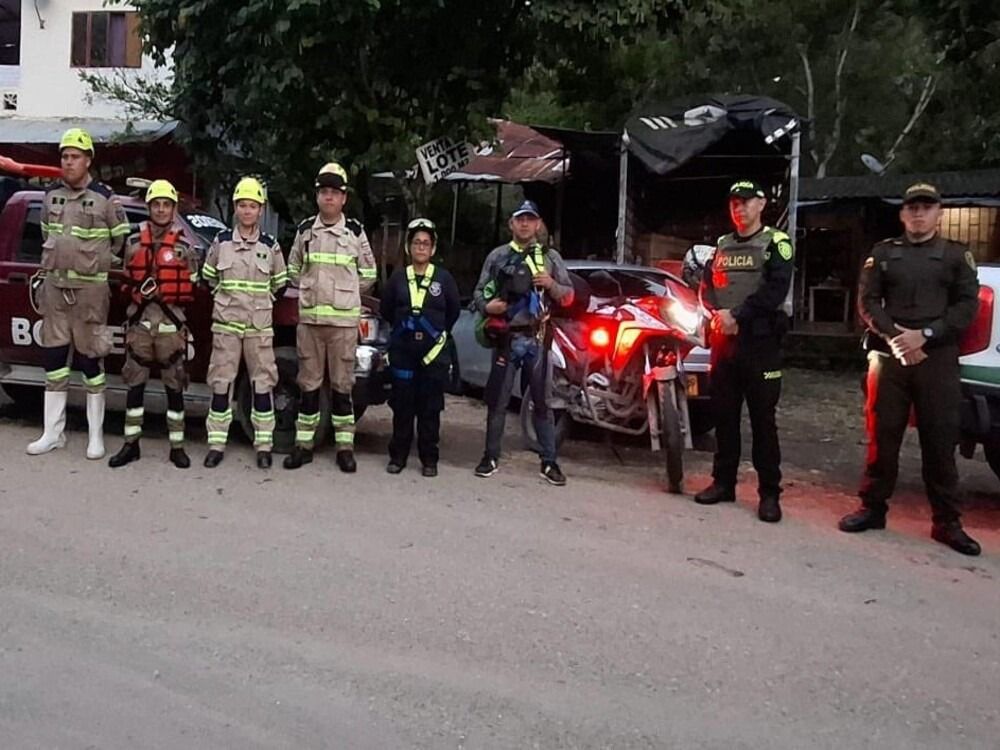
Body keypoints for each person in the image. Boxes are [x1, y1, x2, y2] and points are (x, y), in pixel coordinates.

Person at [841, 182, 981, 556]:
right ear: (903, 213)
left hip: (936, 358)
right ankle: (872, 508)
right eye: (912, 208)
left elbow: (967, 307)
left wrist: (926, 335)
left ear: (938, 213)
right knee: (882, 436)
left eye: (926, 207)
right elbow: (868, 302)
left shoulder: (956, 255)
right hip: (890, 357)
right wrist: (896, 338)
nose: (919, 214)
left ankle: (947, 522)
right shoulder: (884, 253)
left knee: (940, 441)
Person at [27, 128, 130, 460]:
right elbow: (48, 234)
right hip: (55, 290)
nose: (68, 162)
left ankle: (95, 436)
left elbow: (122, 242)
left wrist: (99, 263)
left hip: (89, 293)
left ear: (88, 160)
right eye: (65, 156)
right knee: (54, 362)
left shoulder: (105, 198)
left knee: (90, 361)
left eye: (75, 157)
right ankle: (52, 433)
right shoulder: (50, 196)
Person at [694, 180, 793, 523]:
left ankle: (770, 494)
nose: (739, 208)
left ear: (761, 204)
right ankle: (723, 483)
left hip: (760, 343)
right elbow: (707, 288)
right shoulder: (721, 246)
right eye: (734, 203)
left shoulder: (776, 243)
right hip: (725, 343)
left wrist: (738, 316)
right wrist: (718, 315)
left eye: (746, 202)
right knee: (724, 418)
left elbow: (775, 290)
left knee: (764, 421)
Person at [472, 200, 574, 485]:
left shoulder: (550, 257)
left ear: (538, 224)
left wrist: (551, 284)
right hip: (506, 337)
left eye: (530, 219)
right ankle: (490, 456)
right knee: (498, 401)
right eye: (520, 219)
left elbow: (569, 296)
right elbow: (478, 293)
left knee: (542, 403)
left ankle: (549, 462)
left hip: (537, 338)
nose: (525, 224)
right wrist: (487, 307)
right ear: (511, 224)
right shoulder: (497, 256)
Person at [283, 162, 377, 473]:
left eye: (334, 193)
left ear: (344, 198)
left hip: (342, 326)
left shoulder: (355, 233)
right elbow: (293, 269)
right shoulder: (305, 231)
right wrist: (311, 289)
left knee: (342, 388)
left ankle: (344, 449)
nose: (329, 197)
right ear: (317, 196)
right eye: (324, 191)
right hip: (310, 324)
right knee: (308, 387)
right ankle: (303, 446)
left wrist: (346, 293)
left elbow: (369, 274)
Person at [108, 179, 199, 469]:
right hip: (140, 326)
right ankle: (130, 444)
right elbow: (123, 283)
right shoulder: (133, 243)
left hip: (171, 328)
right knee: (135, 386)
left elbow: (192, 288)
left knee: (175, 388)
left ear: (173, 209)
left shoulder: (185, 248)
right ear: (149, 207)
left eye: (166, 205)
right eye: (156, 204)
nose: (161, 209)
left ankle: (177, 447)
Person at [200, 177, 287, 469]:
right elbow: (208, 277)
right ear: (235, 208)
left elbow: (279, 284)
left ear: (260, 210)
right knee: (221, 384)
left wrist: (261, 304)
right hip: (226, 326)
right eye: (242, 205)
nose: (247, 211)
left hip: (258, 328)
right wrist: (225, 301)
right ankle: (216, 444)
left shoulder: (270, 246)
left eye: (252, 206)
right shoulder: (222, 242)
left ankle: (263, 445)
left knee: (262, 385)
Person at [381, 218, 460, 477]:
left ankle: (429, 460)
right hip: (403, 354)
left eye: (426, 243)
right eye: (417, 242)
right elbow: (387, 309)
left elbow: (453, 312)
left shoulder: (444, 279)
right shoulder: (398, 278)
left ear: (433, 248)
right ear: (409, 247)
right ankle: (398, 457)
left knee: (430, 409)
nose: (421, 247)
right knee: (402, 407)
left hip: (434, 356)